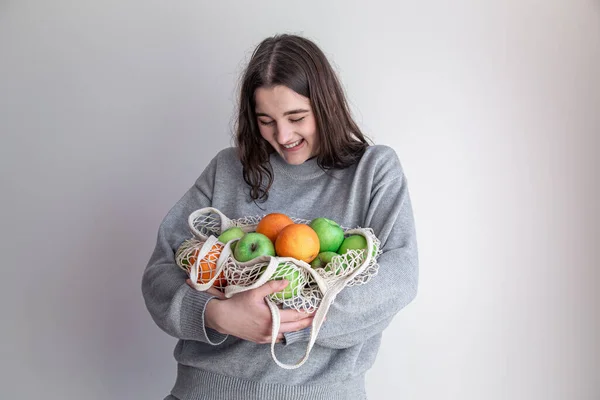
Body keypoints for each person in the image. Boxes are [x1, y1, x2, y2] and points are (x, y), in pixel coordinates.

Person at [142, 33, 419, 400]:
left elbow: (398, 279)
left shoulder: (373, 171)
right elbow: (161, 271)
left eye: (296, 117)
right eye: (266, 120)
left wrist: (286, 325)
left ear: (325, 105)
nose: (283, 135)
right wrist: (217, 316)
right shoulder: (228, 169)